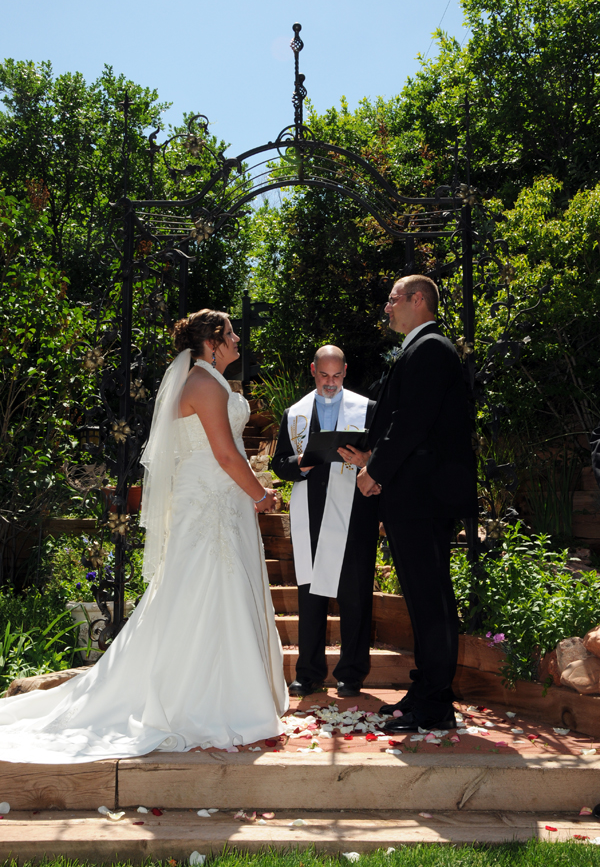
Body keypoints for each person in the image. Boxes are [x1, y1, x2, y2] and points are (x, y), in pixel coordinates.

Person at [0, 309, 288, 763]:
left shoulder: (208, 381)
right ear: (212, 341)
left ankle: (230, 694)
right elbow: (226, 454)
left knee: (214, 592)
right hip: (213, 501)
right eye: (231, 333)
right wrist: (261, 495)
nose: (237, 340)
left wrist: (248, 494)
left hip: (220, 499)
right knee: (204, 591)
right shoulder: (205, 384)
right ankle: (208, 702)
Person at [357, 275, 477, 731]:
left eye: (392, 299)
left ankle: (434, 704)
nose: (386, 308)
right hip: (420, 494)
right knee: (425, 597)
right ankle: (427, 689)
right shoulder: (422, 348)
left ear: (417, 299)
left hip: (423, 495)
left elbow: (412, 422)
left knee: (431, 599)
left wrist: (375, 472)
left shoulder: (430, 348)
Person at [271, 345, 379, 698]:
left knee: (355, 595)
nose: (330, 383)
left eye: (337, 375)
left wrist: (367, 458)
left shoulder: (367, 409)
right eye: (324, 375)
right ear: (313, 370)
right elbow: (279, 464)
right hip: (311, 511)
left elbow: (383, 455)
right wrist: (297, 464)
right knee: (310, 595)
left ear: (345, 371)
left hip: (354, 513)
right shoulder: (295, 413)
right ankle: (309, 672)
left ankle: (351, 673)